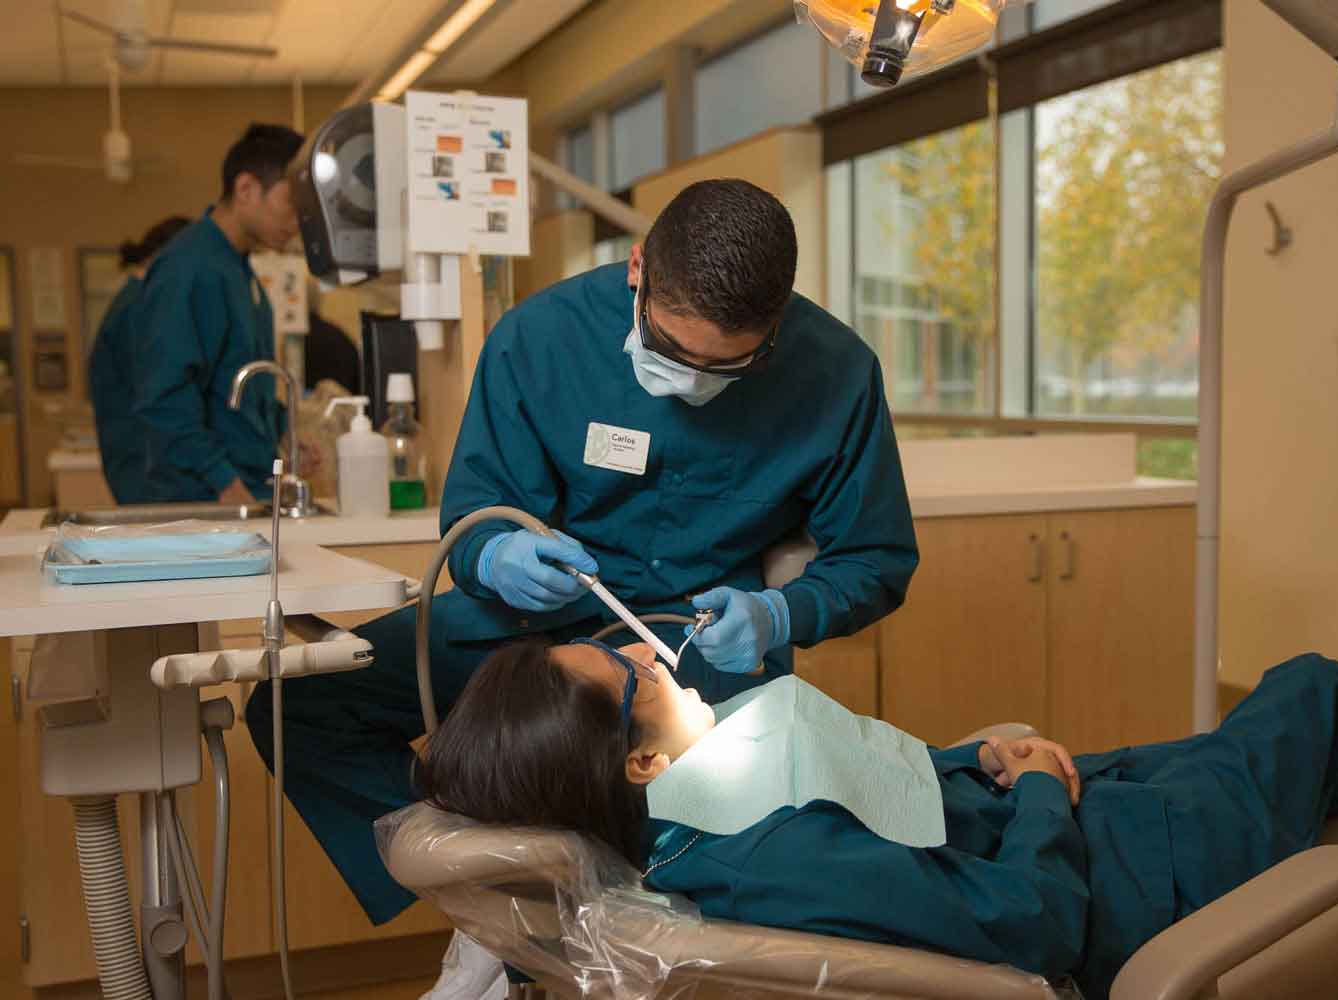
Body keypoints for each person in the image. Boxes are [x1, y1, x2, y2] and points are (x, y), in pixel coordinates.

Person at [246, 179, 920, 926]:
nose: (692, 378)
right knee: (296, 703)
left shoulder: (836, 374)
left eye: (727, 367)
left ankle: (626, 933)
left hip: (699, 645)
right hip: (531, 627)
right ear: (638, 269)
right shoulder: (540, 339)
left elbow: (876, 559)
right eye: (670, 348)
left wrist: (779, 614)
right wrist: (497, 556)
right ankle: (502, 890)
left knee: (721, 836)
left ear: (776, 327)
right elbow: (474, 517)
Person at [418, 640, 1338, 999]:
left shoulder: (696, 827)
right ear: (642, 760)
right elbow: (1029, 919)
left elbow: (859, 803)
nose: (654, 652)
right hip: (1143, 873)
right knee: (1309, 690)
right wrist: (1034, 790)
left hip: (1055, 806)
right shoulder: (775, 866)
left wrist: (971, 758)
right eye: (634, 673)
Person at [133, 123, 304, 503]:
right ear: (246, 189)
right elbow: (163, 396)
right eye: (291, 204)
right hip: (203, 499)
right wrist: (223, 480)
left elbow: (240, 388)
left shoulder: (241, 272)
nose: (296, 223)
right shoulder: (189, 268)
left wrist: (285, 432)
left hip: (245, 487)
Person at [89, 215, 192, 503]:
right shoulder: (139, 307)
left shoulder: (135, 300)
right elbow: (157, 391)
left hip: (137, 462)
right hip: (142, 466)